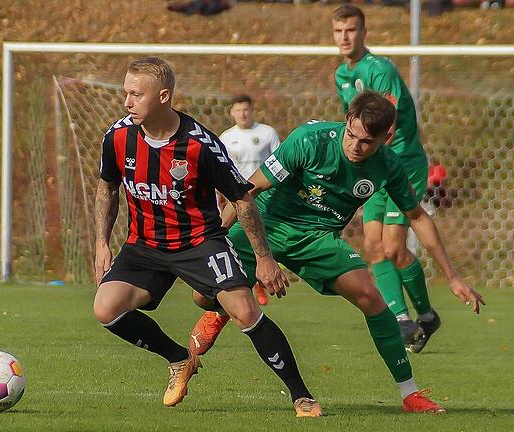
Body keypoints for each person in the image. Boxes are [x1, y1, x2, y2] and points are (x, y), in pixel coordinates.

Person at [189, 91, 485, 414]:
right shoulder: (310, 139)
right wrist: (211, 241)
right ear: (346, 121)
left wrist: (453, 277)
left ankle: (410, 394)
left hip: (318, 237)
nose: (354, 147)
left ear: (386, 138)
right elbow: (249, 188)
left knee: (371, 297)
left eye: (366, 142)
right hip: (267, 223)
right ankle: (217, 311)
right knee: (202, 295)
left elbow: (417, 216)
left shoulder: (388, 166)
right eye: (351, 135)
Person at [93, 56, 321, 417]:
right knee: (105, 308)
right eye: (126, 93)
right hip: (145, 245)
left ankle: (301, 395)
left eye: (136, 94)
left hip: (199, 242)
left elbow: (242, 199)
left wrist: (263, 258)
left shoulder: (200, 144)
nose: (127, 102)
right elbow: (107, 188)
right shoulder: (118, 136)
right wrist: (101, 243)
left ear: (163, 96)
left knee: (246, 310)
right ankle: (179, 359)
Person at [332, 5, 440, 353]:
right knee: (373, 247)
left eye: (350, 30)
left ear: (363, 32)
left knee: (393, 247)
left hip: (401, 164)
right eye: (338, 31)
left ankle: (424, 315)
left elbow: (386, 128)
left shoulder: (379, 69)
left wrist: (363, 158)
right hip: (375, 164)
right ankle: (402, 320)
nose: (344, 37)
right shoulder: (341, 75)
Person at [217, 94, 281, 305]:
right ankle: (248, 284)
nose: (242, 114)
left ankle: (260, 281)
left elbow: (278, 162)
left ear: (252, 110)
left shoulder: (267, 133)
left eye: (246, 109)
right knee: (235, 241)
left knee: (258, 238)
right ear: (231, 113)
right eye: (238, 110)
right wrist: (220, 196)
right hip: (236, 198)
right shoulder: (226, 137)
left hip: (263, 197)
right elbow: (220, 169)